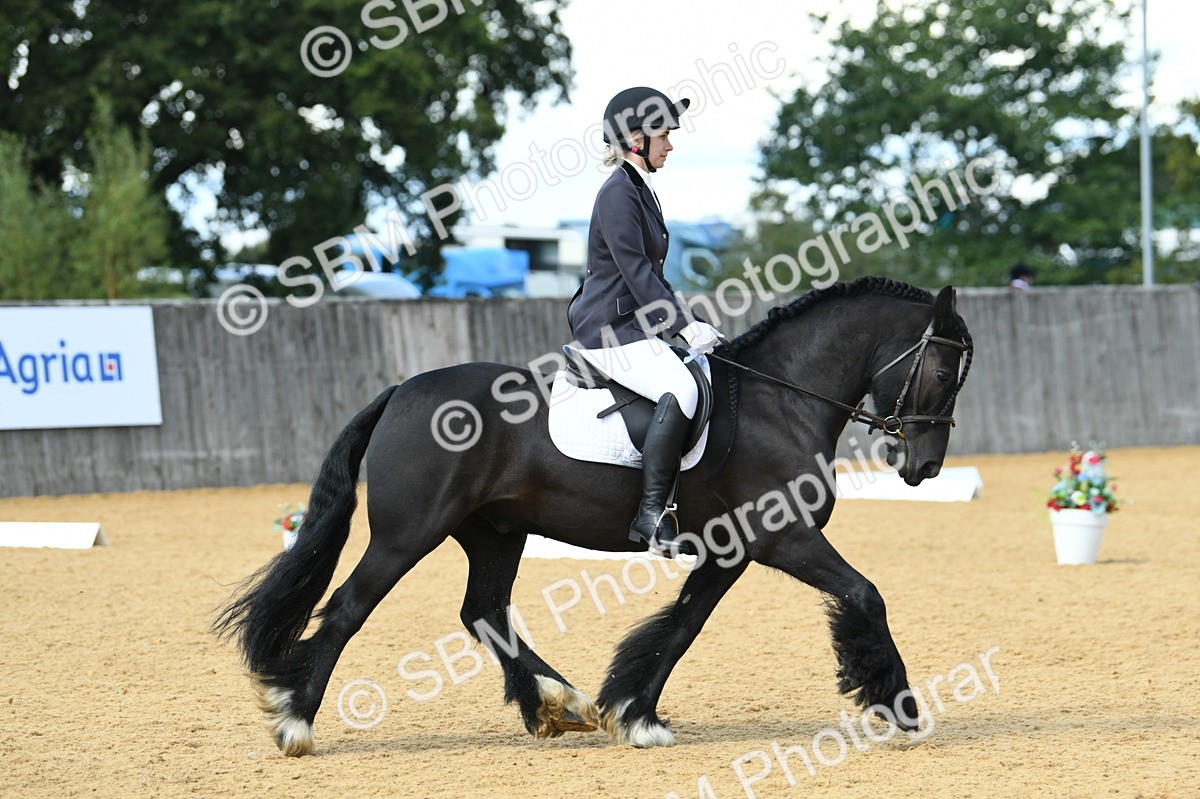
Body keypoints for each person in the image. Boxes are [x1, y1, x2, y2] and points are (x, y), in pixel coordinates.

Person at [566, 86, 724, 557]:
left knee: (701, 375)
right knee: (684, 390)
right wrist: (684, 326)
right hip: (607, 331)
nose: (670, 145)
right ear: (635, 138)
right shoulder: (618, 193)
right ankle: (653, 516)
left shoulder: (639, 189)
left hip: (633, 328)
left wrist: (686, 321)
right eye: (664, 135)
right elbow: (636, 272)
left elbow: (652, 275)